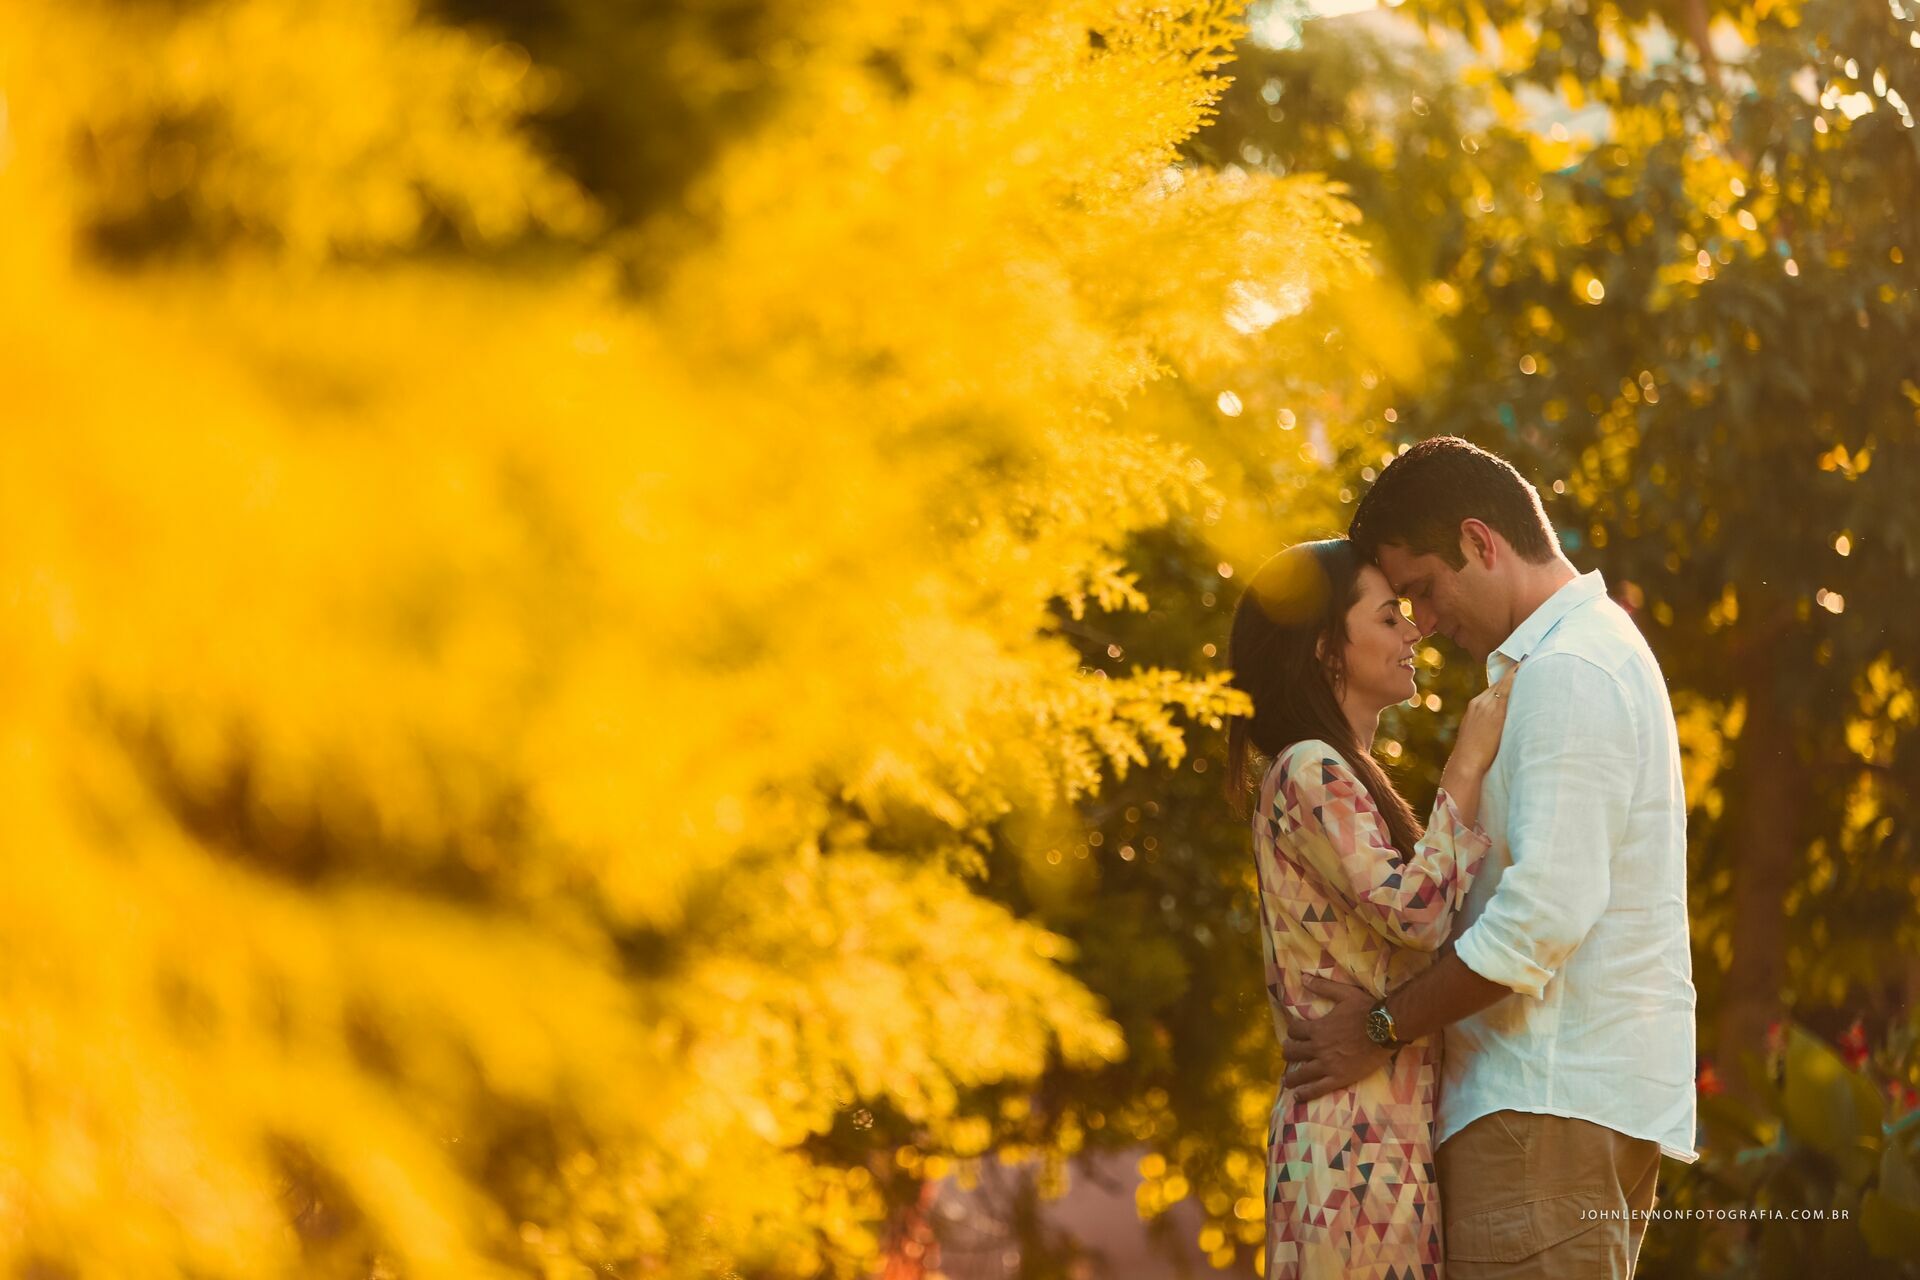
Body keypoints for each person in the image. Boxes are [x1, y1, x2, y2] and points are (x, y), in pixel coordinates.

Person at [1281, 437, 1698, 1279]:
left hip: (1539, 1112)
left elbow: (1541, 917)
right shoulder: (1584, 653)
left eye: (1424, 591)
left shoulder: (1568, 669)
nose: (1424, 625)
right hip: (1561, 1113)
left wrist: (1379, 1028)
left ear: (1481, 541)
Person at [1225, 536, 1517, 1279]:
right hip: (1350, 1155)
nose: (1413, 630)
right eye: (1389, 617)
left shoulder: (1335, 774)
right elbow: (1418, 912)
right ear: (1328, 648)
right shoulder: (1307, 768)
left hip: (1376, 1145)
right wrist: (1467, 762)